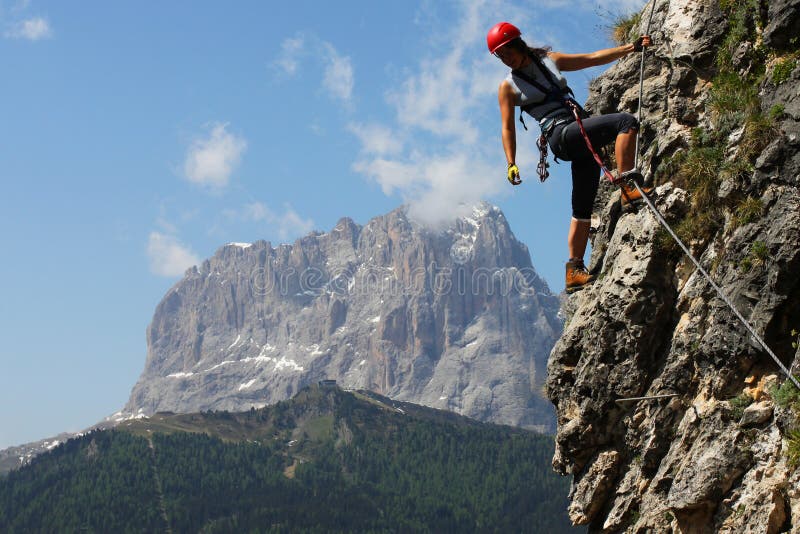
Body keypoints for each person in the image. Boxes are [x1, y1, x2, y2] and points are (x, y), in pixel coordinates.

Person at [488, 22, 653, 294]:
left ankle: (574, 269)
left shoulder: (549, 61)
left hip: (577, 131)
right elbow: (507, 127)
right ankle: (628, 187)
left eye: (507, 52)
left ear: (518, 44)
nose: (506, 59)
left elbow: (590, 59)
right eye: (501, 56)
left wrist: (631, 48)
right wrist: (511, 163)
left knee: (582, 204)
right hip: (561, 134)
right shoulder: (507, 87)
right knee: (626, 122)